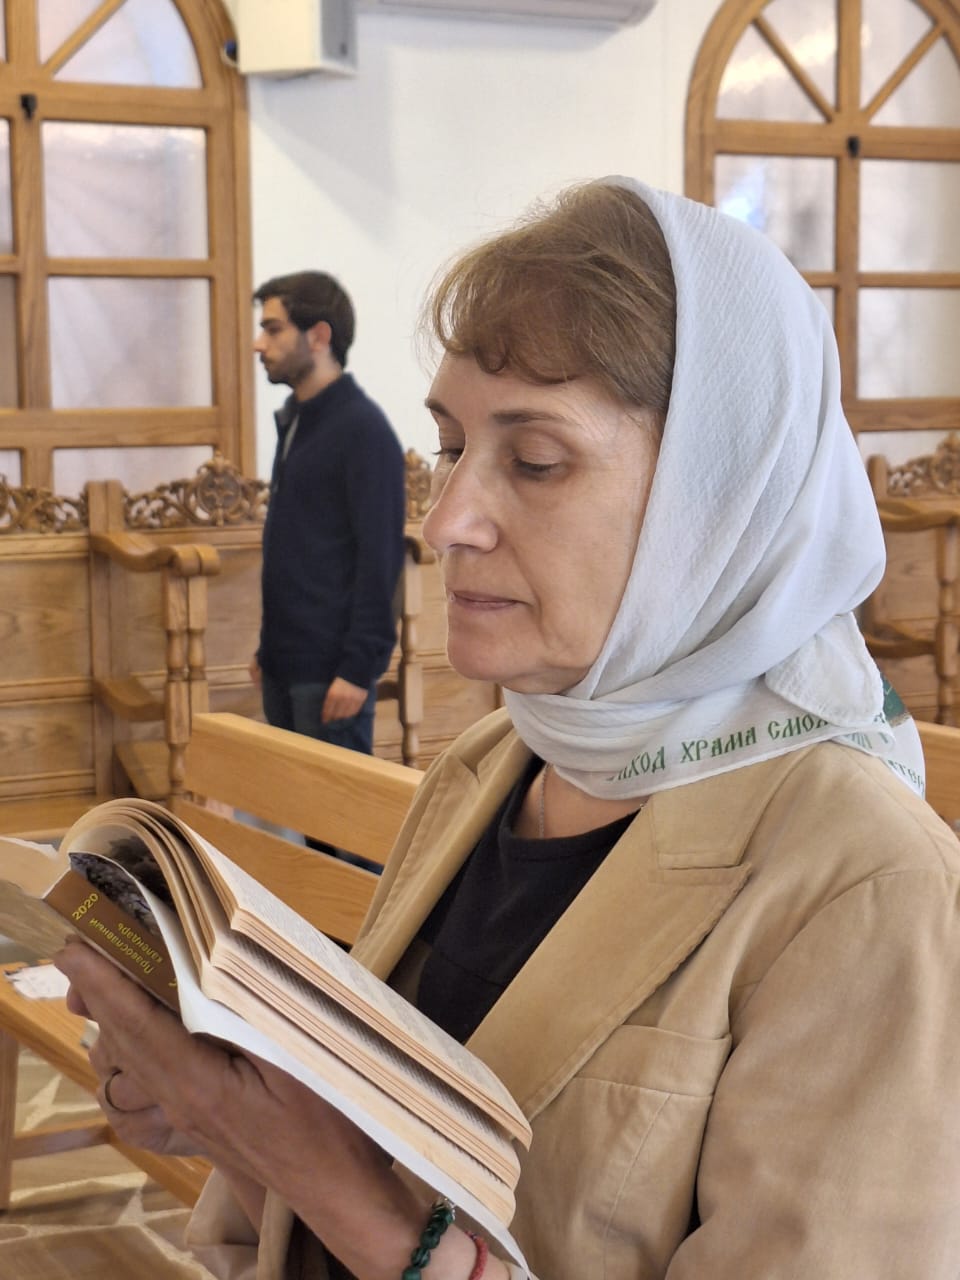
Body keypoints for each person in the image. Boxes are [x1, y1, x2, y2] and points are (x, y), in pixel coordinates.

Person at [57, 178, 960, 1280]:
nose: (446, 520)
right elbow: (361, 1170)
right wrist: (225, 1112)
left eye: (535, 461)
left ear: (719, 499)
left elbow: (366, 1200)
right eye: (449, 446)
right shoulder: (492, 764)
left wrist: (335, 1188)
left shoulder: (868, 884)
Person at [250, 270, 406, 761]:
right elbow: (298, 548)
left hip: (331, 672)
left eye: (273, 329)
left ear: (318, 336)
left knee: (336, 810)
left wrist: (359, 670)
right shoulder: (298, 418)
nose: (259, 344)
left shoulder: (363, 430)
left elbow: (381, 560)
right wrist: (267, 651)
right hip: (285, 663)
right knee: (290, 806)